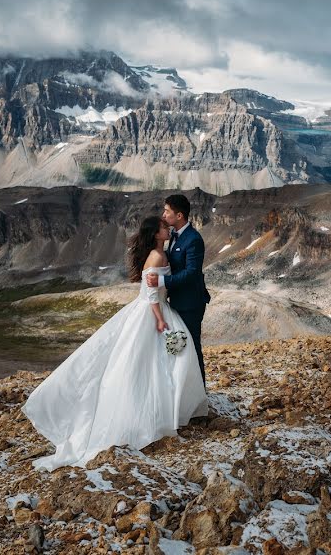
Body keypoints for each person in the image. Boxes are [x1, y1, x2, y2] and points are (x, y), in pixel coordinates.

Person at [21, 216, 208, 471]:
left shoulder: (160, 252)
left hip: (157, 310)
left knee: (164, 362)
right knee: (148, 366)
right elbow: (152, 293)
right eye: (164, 227)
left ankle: (169, 411)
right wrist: (160, 320)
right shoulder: (157, 257)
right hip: (153, 313)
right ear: (155, 233)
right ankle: (149, 417)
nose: (168, 229)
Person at [146, 194, 211, 385]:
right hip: (176, 303)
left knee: (192, 348)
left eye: (167, 211)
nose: (164, 215)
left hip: (190, 304)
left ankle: (200, 396)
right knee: (179, 348)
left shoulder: (193, 239)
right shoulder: (173, 236)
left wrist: (161, 281)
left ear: (180, 215)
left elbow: (192, 273)